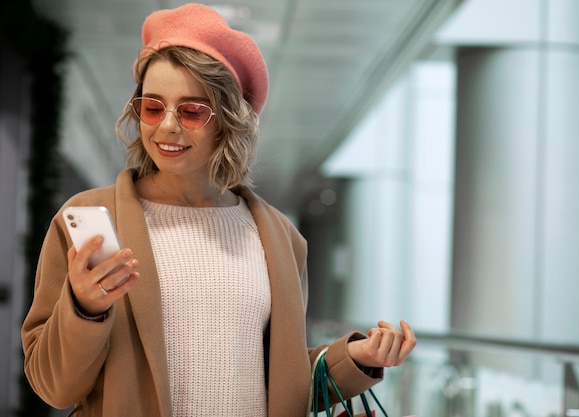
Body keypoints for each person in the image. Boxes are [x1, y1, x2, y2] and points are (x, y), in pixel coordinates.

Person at [21, 3, 417, 416]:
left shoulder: (281, 238)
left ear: (228, 120)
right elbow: (53, 387)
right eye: (153, 107)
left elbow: (280, 375)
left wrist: (358, 358)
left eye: (191, 111)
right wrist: (84, 308)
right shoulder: (91, 219)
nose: (168, 126)